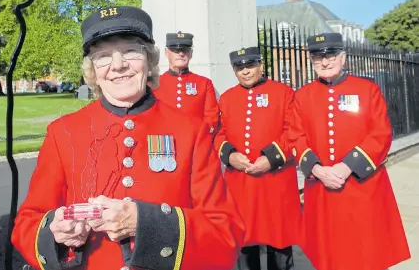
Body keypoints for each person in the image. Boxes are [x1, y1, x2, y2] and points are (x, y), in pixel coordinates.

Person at [11, 6, 245, 270]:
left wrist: (146, 223)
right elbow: (27, 223)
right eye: (103, 56)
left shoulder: (191, 132)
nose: (118, 65)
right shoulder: (62, 132)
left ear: (150, 59)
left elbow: (226, 233)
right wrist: (57, 232)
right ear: (92, 69)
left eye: (131, 51)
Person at [292, 32, 410, 270]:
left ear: (343, 57)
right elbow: (295, 136)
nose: (324, 62)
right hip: (322, 188)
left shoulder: (367, 89)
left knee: (366, 253)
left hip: (362, 187)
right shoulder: (302, 96)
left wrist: (346, 168)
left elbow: (381, 134)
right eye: (317, 58)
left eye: (331, 56)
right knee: (329, 255)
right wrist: (317, 170)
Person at [215, 46, 301, 270]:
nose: (245, 71)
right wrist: (229, 155)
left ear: (261, 65)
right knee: (243, 240)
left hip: (276, 179)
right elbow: (218, 133)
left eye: (250, 65)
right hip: (240, 181)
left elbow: (294, 132)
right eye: (239, 67)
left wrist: (271, 159)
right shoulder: (227, 97)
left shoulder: (283, 93)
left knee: (279, 240)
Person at [153, 31, 219, 127]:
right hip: (165, 140)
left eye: (185, 50)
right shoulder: (155, 83)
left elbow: (211, 117)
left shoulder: (204, 83)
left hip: (196, 139)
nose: (180, 54)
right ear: (166, 53)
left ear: (191, 53)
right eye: (175, 50)